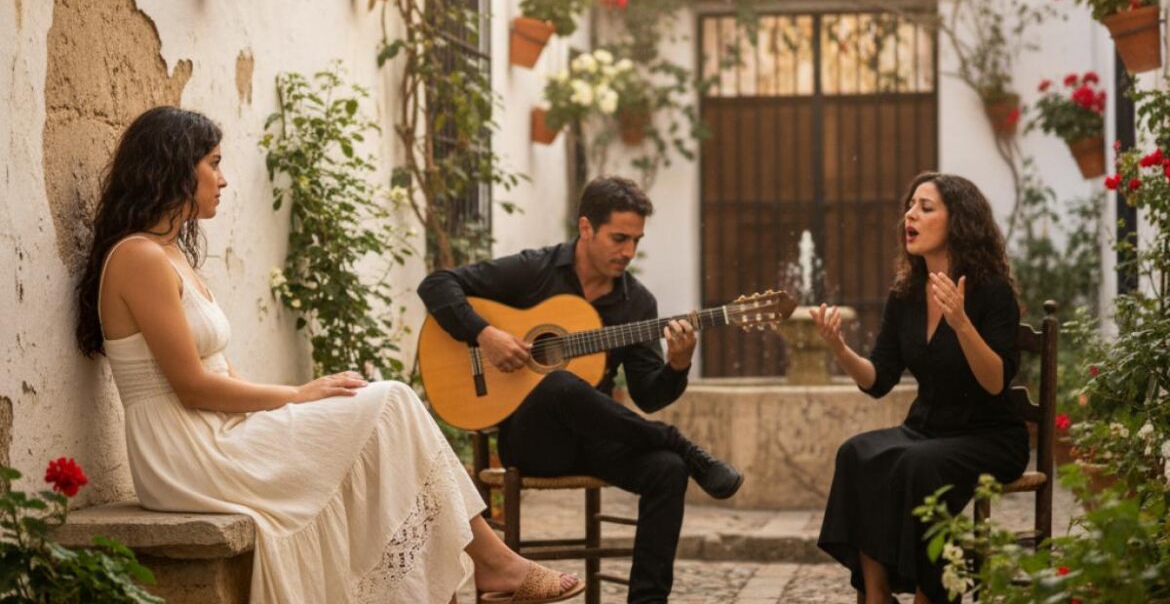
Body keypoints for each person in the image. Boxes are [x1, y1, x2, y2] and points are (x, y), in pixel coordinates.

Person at [74, 106, 584, 604]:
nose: (223, 179)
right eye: (213, 162)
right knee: (388, 402)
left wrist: (300, 405)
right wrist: (300, 394)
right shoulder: (138, 257)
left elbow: (221, 371)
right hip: (186, 454)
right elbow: (194, 385)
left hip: (215, 432)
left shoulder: (171, 256)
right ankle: (493, 563)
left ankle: (486, 564)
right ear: (173, 167)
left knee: (384, 406)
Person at [417, 176, 744, 604]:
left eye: (636, 241)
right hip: (532, 440)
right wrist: (485, 334)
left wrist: (678, 364)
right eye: (619, 238)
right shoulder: (536, 270)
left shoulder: (637, 304)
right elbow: (436, 285)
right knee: (560, 384)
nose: (628, 251)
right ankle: (680, 442)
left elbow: (648, 395)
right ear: (586, 228)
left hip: (595, 440)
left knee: (667, 470)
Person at [812, 172, 1029, 604]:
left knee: (917, 465)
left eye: (926, 207)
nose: (910, 215)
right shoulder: (906, 294)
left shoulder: (991, 291)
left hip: (989, 436)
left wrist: (961, 323)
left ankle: (931, 596)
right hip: (927, 429)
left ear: (959, 222)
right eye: (910, 206)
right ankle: (876, 596)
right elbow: (879, 379)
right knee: (856, 453)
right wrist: (839, 349)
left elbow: (995, 381)